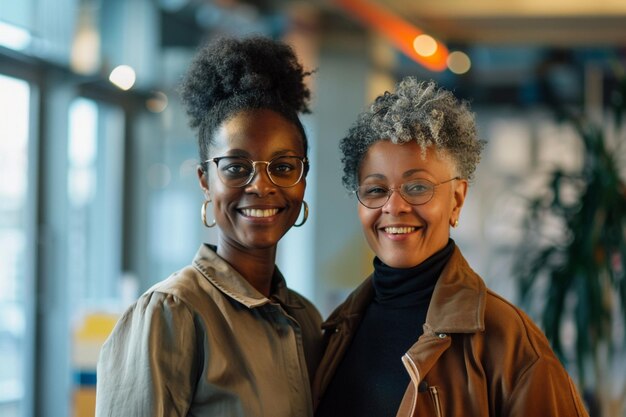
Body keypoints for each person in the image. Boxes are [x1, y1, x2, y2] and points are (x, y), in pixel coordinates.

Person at [313, 78, 589, 417]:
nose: (394, 206)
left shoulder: (510, 342)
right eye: (375, 190)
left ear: (456, 200)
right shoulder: (335, 330)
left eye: (417, 187)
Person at [96, 36, 322, 417]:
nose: (261, 186)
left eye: (283, 167)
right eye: (236, 167)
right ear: (205, 180)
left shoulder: (307, 319)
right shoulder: (171, 312)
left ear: (302, 179)